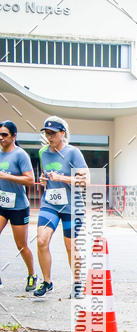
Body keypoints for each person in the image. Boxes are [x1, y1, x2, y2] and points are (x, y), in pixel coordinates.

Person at [33, 117, 89, 298]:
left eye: (53, 133)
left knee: (70, 246)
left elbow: (85, 181)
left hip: (71, 206)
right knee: (42, 240)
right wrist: (44, 180)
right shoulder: (43, 152)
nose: (49, 136)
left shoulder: (73, 153)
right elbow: (46, 176)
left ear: (62, 133)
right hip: (50, 203)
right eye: (47, 133)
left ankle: (77, 284)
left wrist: (62, 178)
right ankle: (47, 282)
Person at [0, 120, 37, 291]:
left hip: (18, 207)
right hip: (2, 204)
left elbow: (30, 180)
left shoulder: (20, 155)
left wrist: (6, 176)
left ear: (14, 136)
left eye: (4, 134)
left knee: (21, 246)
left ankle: (32, 274)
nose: (1, 138)